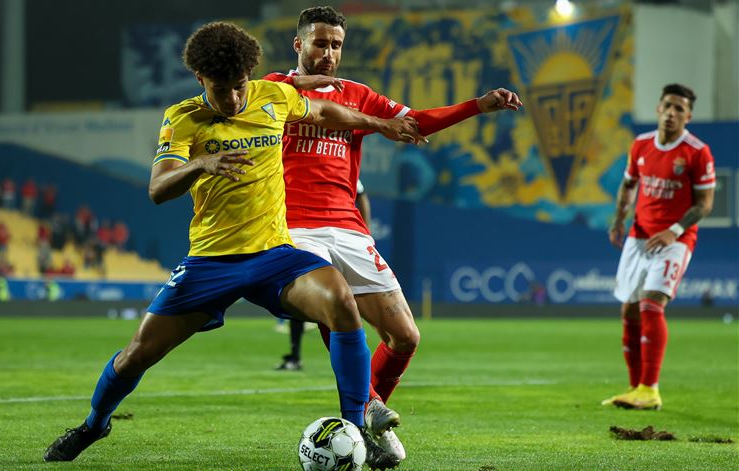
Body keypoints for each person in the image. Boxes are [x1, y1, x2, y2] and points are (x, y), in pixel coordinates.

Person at [43, 21, 424, 468]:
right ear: (200, 79)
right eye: (223, 89)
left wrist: (381, 123)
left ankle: (356, 430)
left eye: (240, 86)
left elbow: (323, 113)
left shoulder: (271, 96)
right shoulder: (183, 118)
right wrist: (202, 163)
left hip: (275, 256)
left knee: (340, 299)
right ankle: (93, 425)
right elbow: (159, 188)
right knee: (135, 357)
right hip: (212, 263)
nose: (235, 99)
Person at [263, 6, 522, 462]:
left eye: (336, 45)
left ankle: (366, 419)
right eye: (320, 43)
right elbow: (306, 116)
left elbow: (414, 122)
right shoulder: (273, 89)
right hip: (294, 227)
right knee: (335, 307)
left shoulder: (357, 94)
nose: (328, 53)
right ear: (298, 45)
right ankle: (368, 407)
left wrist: (477, 106)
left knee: (405, 337)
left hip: (348, 227)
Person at [602, 83, 715, 410]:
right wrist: (618, 221)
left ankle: (650, 390)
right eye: (667, 105)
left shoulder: (696, 152)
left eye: (679, 108)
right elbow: (628, 186)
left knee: (652, 303)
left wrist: (675, 230)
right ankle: (635, 388)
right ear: (658, 109)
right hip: (639, 237)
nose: (671, 113)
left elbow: (705, 204)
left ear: (688, 116)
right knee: (630, 310)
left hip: (676, 240)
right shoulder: (640, 146)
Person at [277, 181, 371, 372]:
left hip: (342, 235)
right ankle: (295, 355)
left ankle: (354, 347)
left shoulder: (336, 167)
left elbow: (361, 195)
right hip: (304, 232)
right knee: (305, 293)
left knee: (343, 299)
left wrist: (365, 231)